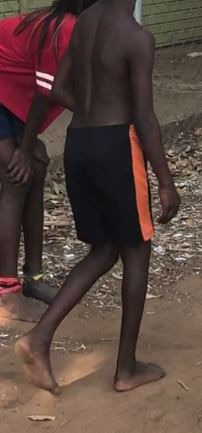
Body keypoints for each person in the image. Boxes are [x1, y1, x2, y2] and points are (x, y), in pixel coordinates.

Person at [15, 0, 181, 394]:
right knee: (137, 249)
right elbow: (145, 117)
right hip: (117, 146)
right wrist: (165, 180)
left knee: (105, 249)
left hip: (80, 142)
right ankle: (126, 368)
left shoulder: (85, 22)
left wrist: (90, 109)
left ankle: (39, 339)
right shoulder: (137, 38)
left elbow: (58, 87)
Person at [0, 0, 98, 322]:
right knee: (16, 176)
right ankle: (7, 292)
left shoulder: (76, 26)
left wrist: (30, 149)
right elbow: (48, 91)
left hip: (8, 92)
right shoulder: (66, 27)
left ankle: (34, 278)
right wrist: (25, 149)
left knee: (36, 170)